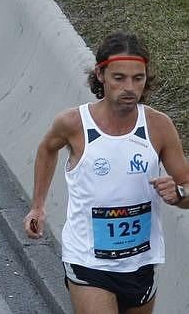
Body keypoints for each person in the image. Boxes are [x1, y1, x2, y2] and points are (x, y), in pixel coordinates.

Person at [24, 33, 189, 313]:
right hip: (88, 261)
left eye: (138, 78)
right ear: (101, 74)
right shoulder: (74, 124)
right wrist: (37, 206)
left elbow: (186, 188)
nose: (129, 88)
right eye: (119, 78)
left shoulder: (158, 126)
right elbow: (47, 149)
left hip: (140, 262)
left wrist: (179, 194)